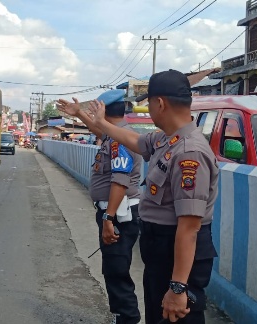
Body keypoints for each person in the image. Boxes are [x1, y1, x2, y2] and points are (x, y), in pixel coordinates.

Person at [87, 70, 219, 324]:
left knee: (175, 317)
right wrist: (102, 124)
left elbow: (189, 228)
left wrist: (179, 288)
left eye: (148, 103)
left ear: (160, 103)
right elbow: (135, 141)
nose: (148, 108)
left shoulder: (188, 152)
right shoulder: (166, 140)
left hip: (175, 255)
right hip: (161, 253)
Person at [57, 90, 143, 324]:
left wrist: (108, 218)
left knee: (116, 269)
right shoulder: (114, 134)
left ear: (102, 110)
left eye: (95, 110)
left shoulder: (119, 139)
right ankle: (122, 316)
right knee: (113, 267)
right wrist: (80, 114)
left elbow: (120, 180)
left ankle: (127, 318)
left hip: (118, 215)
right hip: (116, 213)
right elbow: (99, 130)